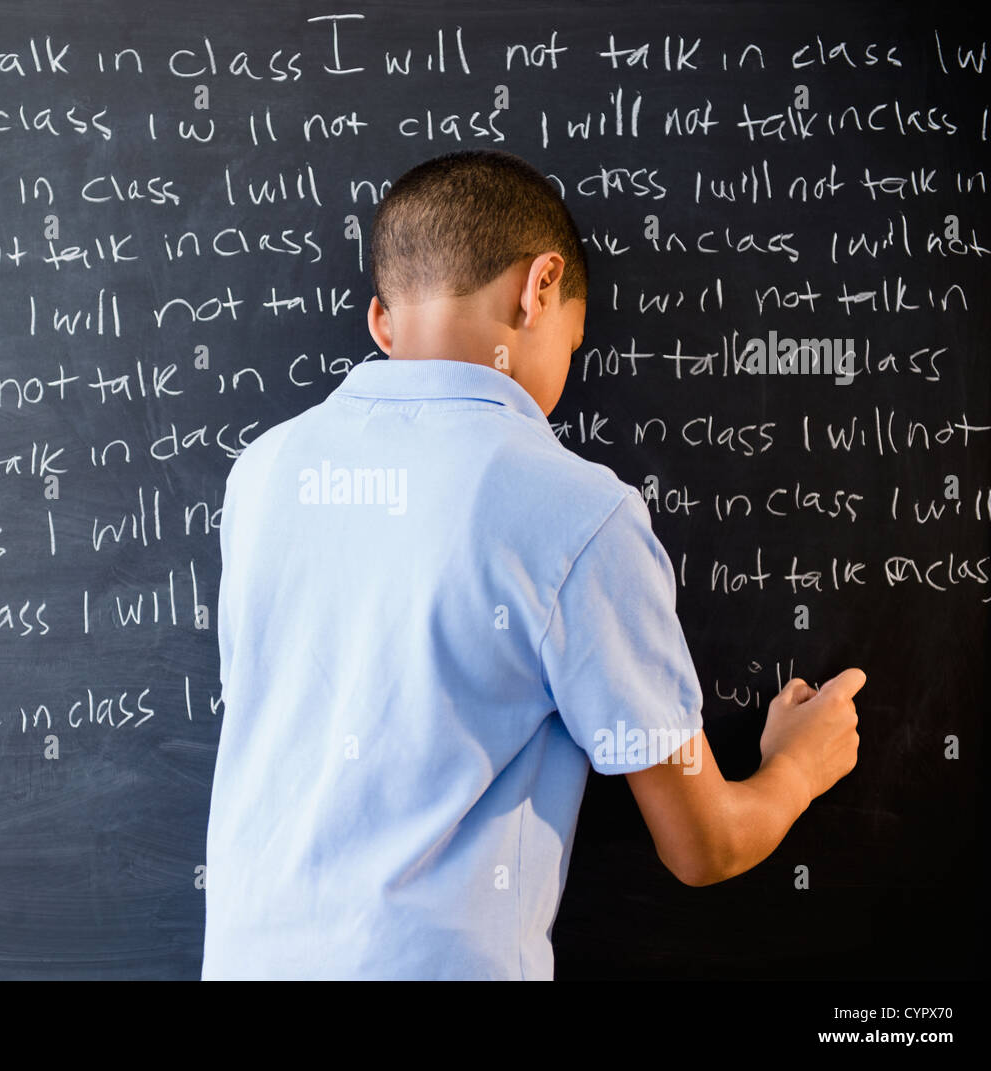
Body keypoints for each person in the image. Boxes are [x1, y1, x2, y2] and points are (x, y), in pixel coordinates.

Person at [201, 148, 864, 981]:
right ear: (539, 284)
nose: (561, 384)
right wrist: (800, 764)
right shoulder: (574, 508)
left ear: (383, 322)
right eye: (575, 347)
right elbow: (704, 845)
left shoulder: (263, 472)